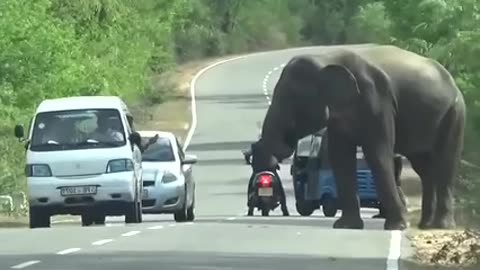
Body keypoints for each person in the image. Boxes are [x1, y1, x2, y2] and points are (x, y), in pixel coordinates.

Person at [247, 140, 289, 216]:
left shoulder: (255, 145)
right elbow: (280, 156)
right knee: (280, 189)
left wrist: (248, 160)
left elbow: (248, 154)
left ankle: (250, 209)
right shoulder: (274, 145)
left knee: (251, 187)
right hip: (271, 171)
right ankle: (284, 209)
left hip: (258, 171)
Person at [373, 154, 405, 218]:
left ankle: (399, 210)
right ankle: (385, 210)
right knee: (386, 183)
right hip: (390, 156)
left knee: (393, 183)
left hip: (393, 157)